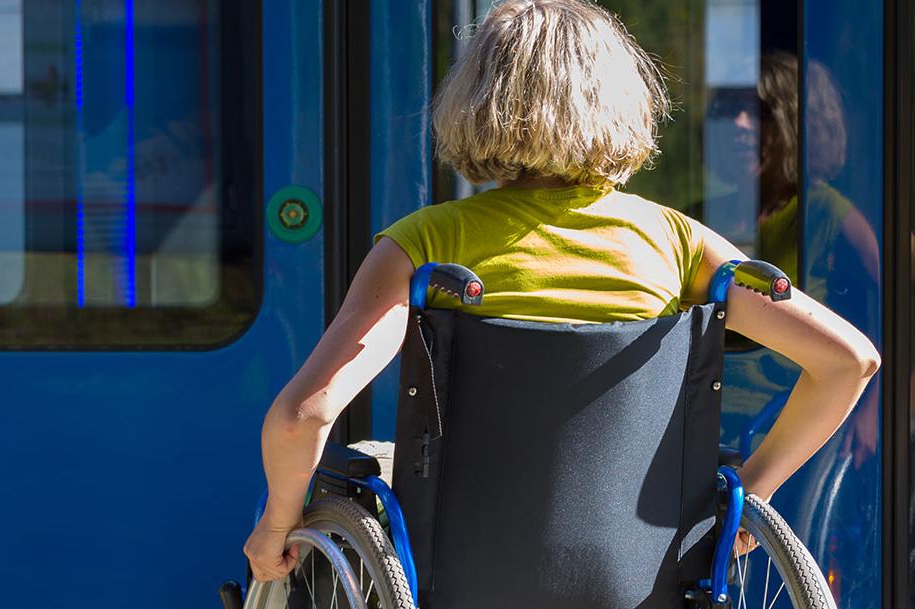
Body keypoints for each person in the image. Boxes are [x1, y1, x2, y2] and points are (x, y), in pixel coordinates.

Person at [243, 0, 879, 584]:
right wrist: (752, 492)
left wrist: (275, 527)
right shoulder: (679, 243)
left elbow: (305, 415)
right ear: (621, 103)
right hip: (637, 573)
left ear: (476, 103)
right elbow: (849, 361)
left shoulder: (427, 242)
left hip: (465, 570)